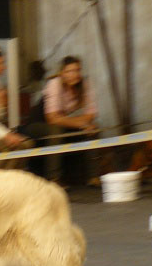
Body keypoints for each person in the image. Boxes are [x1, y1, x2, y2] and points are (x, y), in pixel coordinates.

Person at [24, 56, 99, 184]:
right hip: (36, 123)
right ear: (62, 73)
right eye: (69, 71)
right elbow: (52, 118)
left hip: (61, 121)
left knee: (93, 128)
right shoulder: (54, 84)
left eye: (77, 70)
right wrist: (81, 124)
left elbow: (91, 114)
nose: (74, 74)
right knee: (56, 130)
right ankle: (54, 178)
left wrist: (83, 124)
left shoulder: (84, 84)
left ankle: (93, 176)